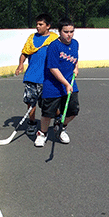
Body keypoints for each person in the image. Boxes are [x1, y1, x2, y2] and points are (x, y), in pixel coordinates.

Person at [35, 18, 79, 147]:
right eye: (66, 32)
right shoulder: (54, 46)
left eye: (71, 31)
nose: (69, 34)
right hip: (53, 85)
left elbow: (75, 59)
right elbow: (53, 68)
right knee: (47, 113)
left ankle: (61, 126)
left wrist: (76, 67)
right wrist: (65, 84)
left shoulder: (75, 43)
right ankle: (42, 133)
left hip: (70, 83)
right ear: (59, 31)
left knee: (73, 111)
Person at [15, 13, 59, 136]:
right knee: (30, 102)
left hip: (47, 79)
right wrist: (20, 64)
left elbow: (60, 55)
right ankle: (32, 123)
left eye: (41, 24)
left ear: (48, 26)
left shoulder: (55, 39)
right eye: (37, 24)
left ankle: (57, 119)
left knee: (49, 104)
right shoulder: (31, 38)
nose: (37, 27)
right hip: (31, 77)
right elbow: (24, 53)